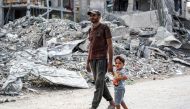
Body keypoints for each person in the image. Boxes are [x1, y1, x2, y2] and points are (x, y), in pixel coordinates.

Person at [86, 10, 115, 109]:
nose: (92, 17)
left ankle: (94, 106)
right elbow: (90, 47)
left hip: (102, 59)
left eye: (94, 15)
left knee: (98, 83)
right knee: (100, 82)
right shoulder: (90, 30)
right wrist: (87, 62)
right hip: (92, 59)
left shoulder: (104, 28)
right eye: (90, 16)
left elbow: (110, 45)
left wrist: (110, 63)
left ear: (99, 16)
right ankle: (111, 102)